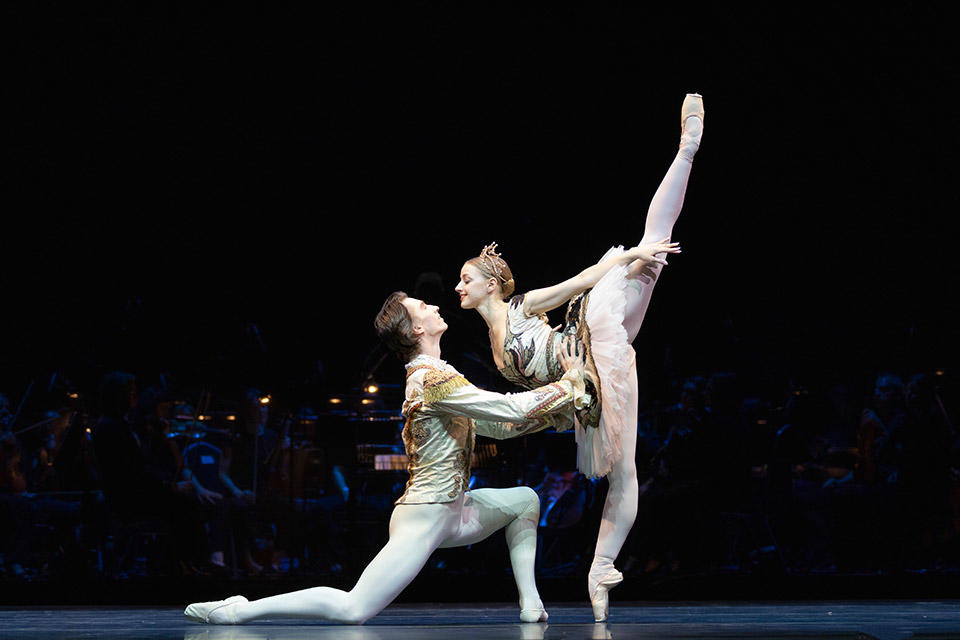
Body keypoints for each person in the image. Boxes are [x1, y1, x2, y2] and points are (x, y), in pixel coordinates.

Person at [184, 291, 589, 625]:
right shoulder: (432, 379)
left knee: (525, 501)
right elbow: (510, 409)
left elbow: (498, 426)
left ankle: (531, 606)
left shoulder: (439, 375)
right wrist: (568, 385)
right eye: (422, 307)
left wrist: (559, 417)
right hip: (427, 516)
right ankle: (238, 610)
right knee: (354, 607)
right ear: (416, 329)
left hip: (454, 511)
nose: (433, 306)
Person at [454, 93, 704, 620]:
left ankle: (687, 148)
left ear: (492, 284)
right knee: (623, 473)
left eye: (466, 278)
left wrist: (625, 259)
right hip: (585, 384)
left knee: (652, 246)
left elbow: (576, 284)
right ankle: (600, 569)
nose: (459, 286)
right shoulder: (492, 343)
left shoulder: (519, 306)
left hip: (590, 330)